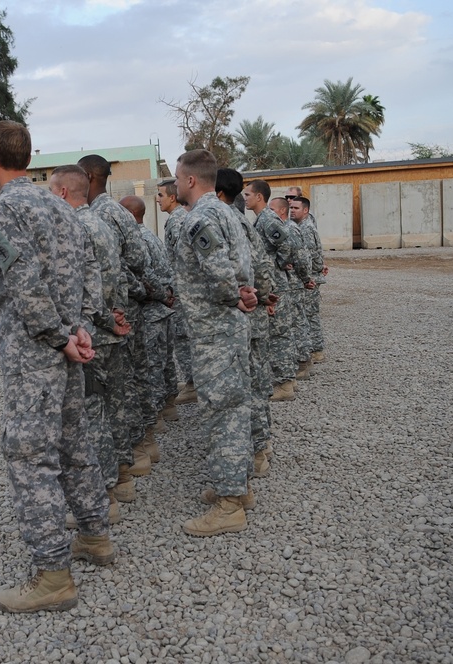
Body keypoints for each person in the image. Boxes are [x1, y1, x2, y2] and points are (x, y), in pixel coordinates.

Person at [0, 121, 114, 613]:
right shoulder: (61, 205)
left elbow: (26, 286)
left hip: (35, 355)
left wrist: (60, 337)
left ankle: (53, 576)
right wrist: (80, 329)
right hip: (66, 349)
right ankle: (96, 538)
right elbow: (85, 273)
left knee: (31, 457)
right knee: (75, 443)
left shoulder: (8, 208)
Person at [171, 149, 255, 536]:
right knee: (234, 405)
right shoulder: (227, 212)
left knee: (223, 413)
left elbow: (220, 272)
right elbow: (240, 266)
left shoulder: (201, 217)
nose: (173, 185)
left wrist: (233, 296)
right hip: (229, 329)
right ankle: (237, 486)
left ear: (190, 180)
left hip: (215, 332)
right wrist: (242, 295)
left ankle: (229, 504)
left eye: (176, 178)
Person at [49, 164, 131, 525]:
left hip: (90, 334)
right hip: (105, 328)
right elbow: (114, 277)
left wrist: (98, 322)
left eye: (52, 191)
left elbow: (89, 291)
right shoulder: (100, 222)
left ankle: (104, 495)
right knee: (111, 408)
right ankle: (117, 482)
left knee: (91, 415)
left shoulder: (74, 226)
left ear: (63, 193)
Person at [78, 155, 155, 482]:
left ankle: (117, 470)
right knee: (123, 389)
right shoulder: (117, 213)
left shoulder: (88, 217)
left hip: (101, 318)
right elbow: (139, 257)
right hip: (122, 309)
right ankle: (130, 457)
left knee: (101, 399)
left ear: (86, 176)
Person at [217, 168, 276, 479]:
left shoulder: (226, 219)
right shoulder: (240, 219)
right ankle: (261, 446)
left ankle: (256, 452)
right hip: (253, 309)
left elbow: (252, 266)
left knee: (249, 386)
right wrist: (266, 297)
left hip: (243, 314)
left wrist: (258, 300)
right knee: (258, 382)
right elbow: (263, 265)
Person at [120, 195, 176, 449]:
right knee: (162, 363)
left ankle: (152, 424)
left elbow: (143, 278)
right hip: (162, 307)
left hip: (151, 309)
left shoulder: (137, 240)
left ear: (129, 215)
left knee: (150, 368)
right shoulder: (150, 235)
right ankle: (166, 409)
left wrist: (158, 295)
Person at [243, 184, 299, 401]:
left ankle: (285, 384)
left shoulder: (268, 219)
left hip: (275, 284)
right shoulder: (261, 219)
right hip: (271, 283)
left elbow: (288, 245)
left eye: (248, 195)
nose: (245, 199)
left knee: (278, 333)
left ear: (259, 196)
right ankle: (288, 379)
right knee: (278, 332)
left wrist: (278, 265)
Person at [158, 179, 196, 406]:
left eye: (161, 195)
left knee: (182, 337)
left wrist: (173, 289)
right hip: (180, 287)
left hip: (182, 289)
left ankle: (193, 384)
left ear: (172, 197)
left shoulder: (177, 221)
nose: (157, 199)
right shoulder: (176, 219)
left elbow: (181, 260)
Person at [290, 196, 327, 363]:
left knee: (310, 315)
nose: (292, 211)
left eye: (296, 208)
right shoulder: (301, 226)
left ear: (305, 210)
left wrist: (313, 273)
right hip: (310, 277)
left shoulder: (305, 228)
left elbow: (311, 255)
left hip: (310, 278)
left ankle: (316, 350)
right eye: (291, 207)